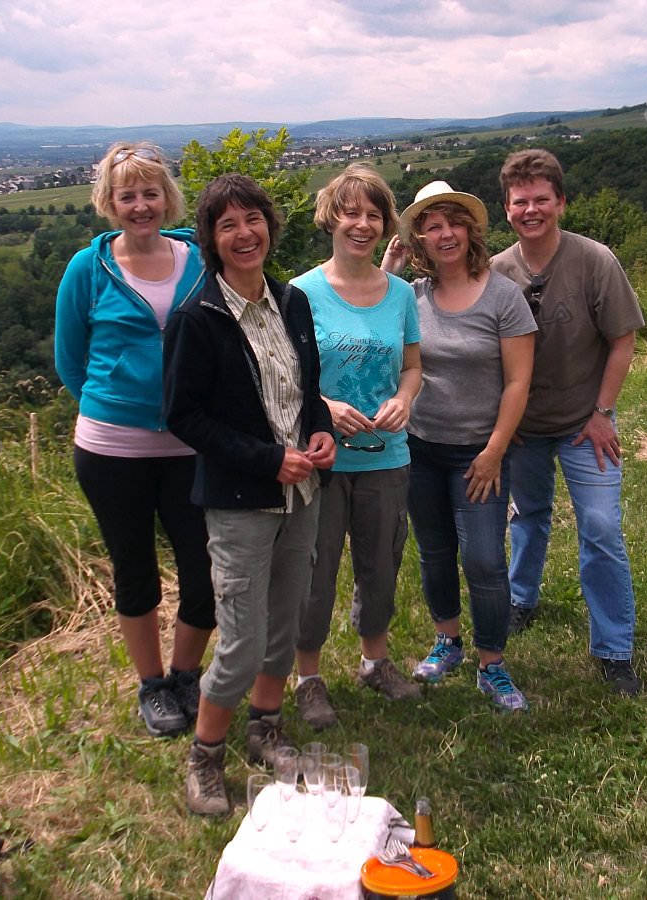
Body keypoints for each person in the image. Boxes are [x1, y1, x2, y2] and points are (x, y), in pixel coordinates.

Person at [163, 173, 336, 815]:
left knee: (283, 624)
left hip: (303, 493)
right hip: (241, 501)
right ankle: (205, 756)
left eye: (253, 219)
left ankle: (265, 726)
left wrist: (320, 435)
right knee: (239, 640)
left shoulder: (291, 303)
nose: (244, 233)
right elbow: (183, 416)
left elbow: (308, 391)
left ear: (270, 225)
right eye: (227, 224)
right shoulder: (198, 319)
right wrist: (269, 460)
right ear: (210, 238)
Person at [53, 141, 214, 739]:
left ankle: (186, 673)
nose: (141, 205)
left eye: (150, 193)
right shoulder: (87, 269)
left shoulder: (198, 260)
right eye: (128, 196)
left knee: (205, 571)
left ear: (166, 197)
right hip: (111, 447)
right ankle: (153, 686)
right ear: (110, 203)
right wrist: (119, 402)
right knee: (135, 568)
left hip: (192, 443)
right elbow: (71, 361)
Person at [491, 148, 646, 697]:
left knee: (600, 527)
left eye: (541, 199)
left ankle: (614, 651)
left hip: (585, 422)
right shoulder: (497, 272)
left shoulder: (593, 260)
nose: (531, 209)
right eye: (520, 201)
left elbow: (622, 339)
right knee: (527, 515)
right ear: (506, 209)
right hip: (525, 427)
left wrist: (603, 413)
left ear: (560, 202)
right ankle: (520, 600)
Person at [382, 181, 535, 712]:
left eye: (454, 222)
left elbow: (518, 382)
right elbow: (364, 313)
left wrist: (495, 450)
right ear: (419, 237)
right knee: (435, 550)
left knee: (486, 559)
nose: (445, 233)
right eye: (431, 224)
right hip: (420, 447)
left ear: (470, 230)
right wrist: (391, 264)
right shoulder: (409, 297)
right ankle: (448, 641)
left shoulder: (503, 296)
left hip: (480, 453)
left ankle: (492, 664)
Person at [290, 163, 423, 731]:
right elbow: (286, 375)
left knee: (380, 564)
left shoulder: (400, 294)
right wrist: (324, 406)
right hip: (320, 462)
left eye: (373, 214)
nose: (361, 224)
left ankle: (375, 663)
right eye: (350, 213)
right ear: (331, 219)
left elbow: (413, 366)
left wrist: (405, 399)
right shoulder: (300, 292)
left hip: (387, 457)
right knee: (314, 572)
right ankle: (308, 680)